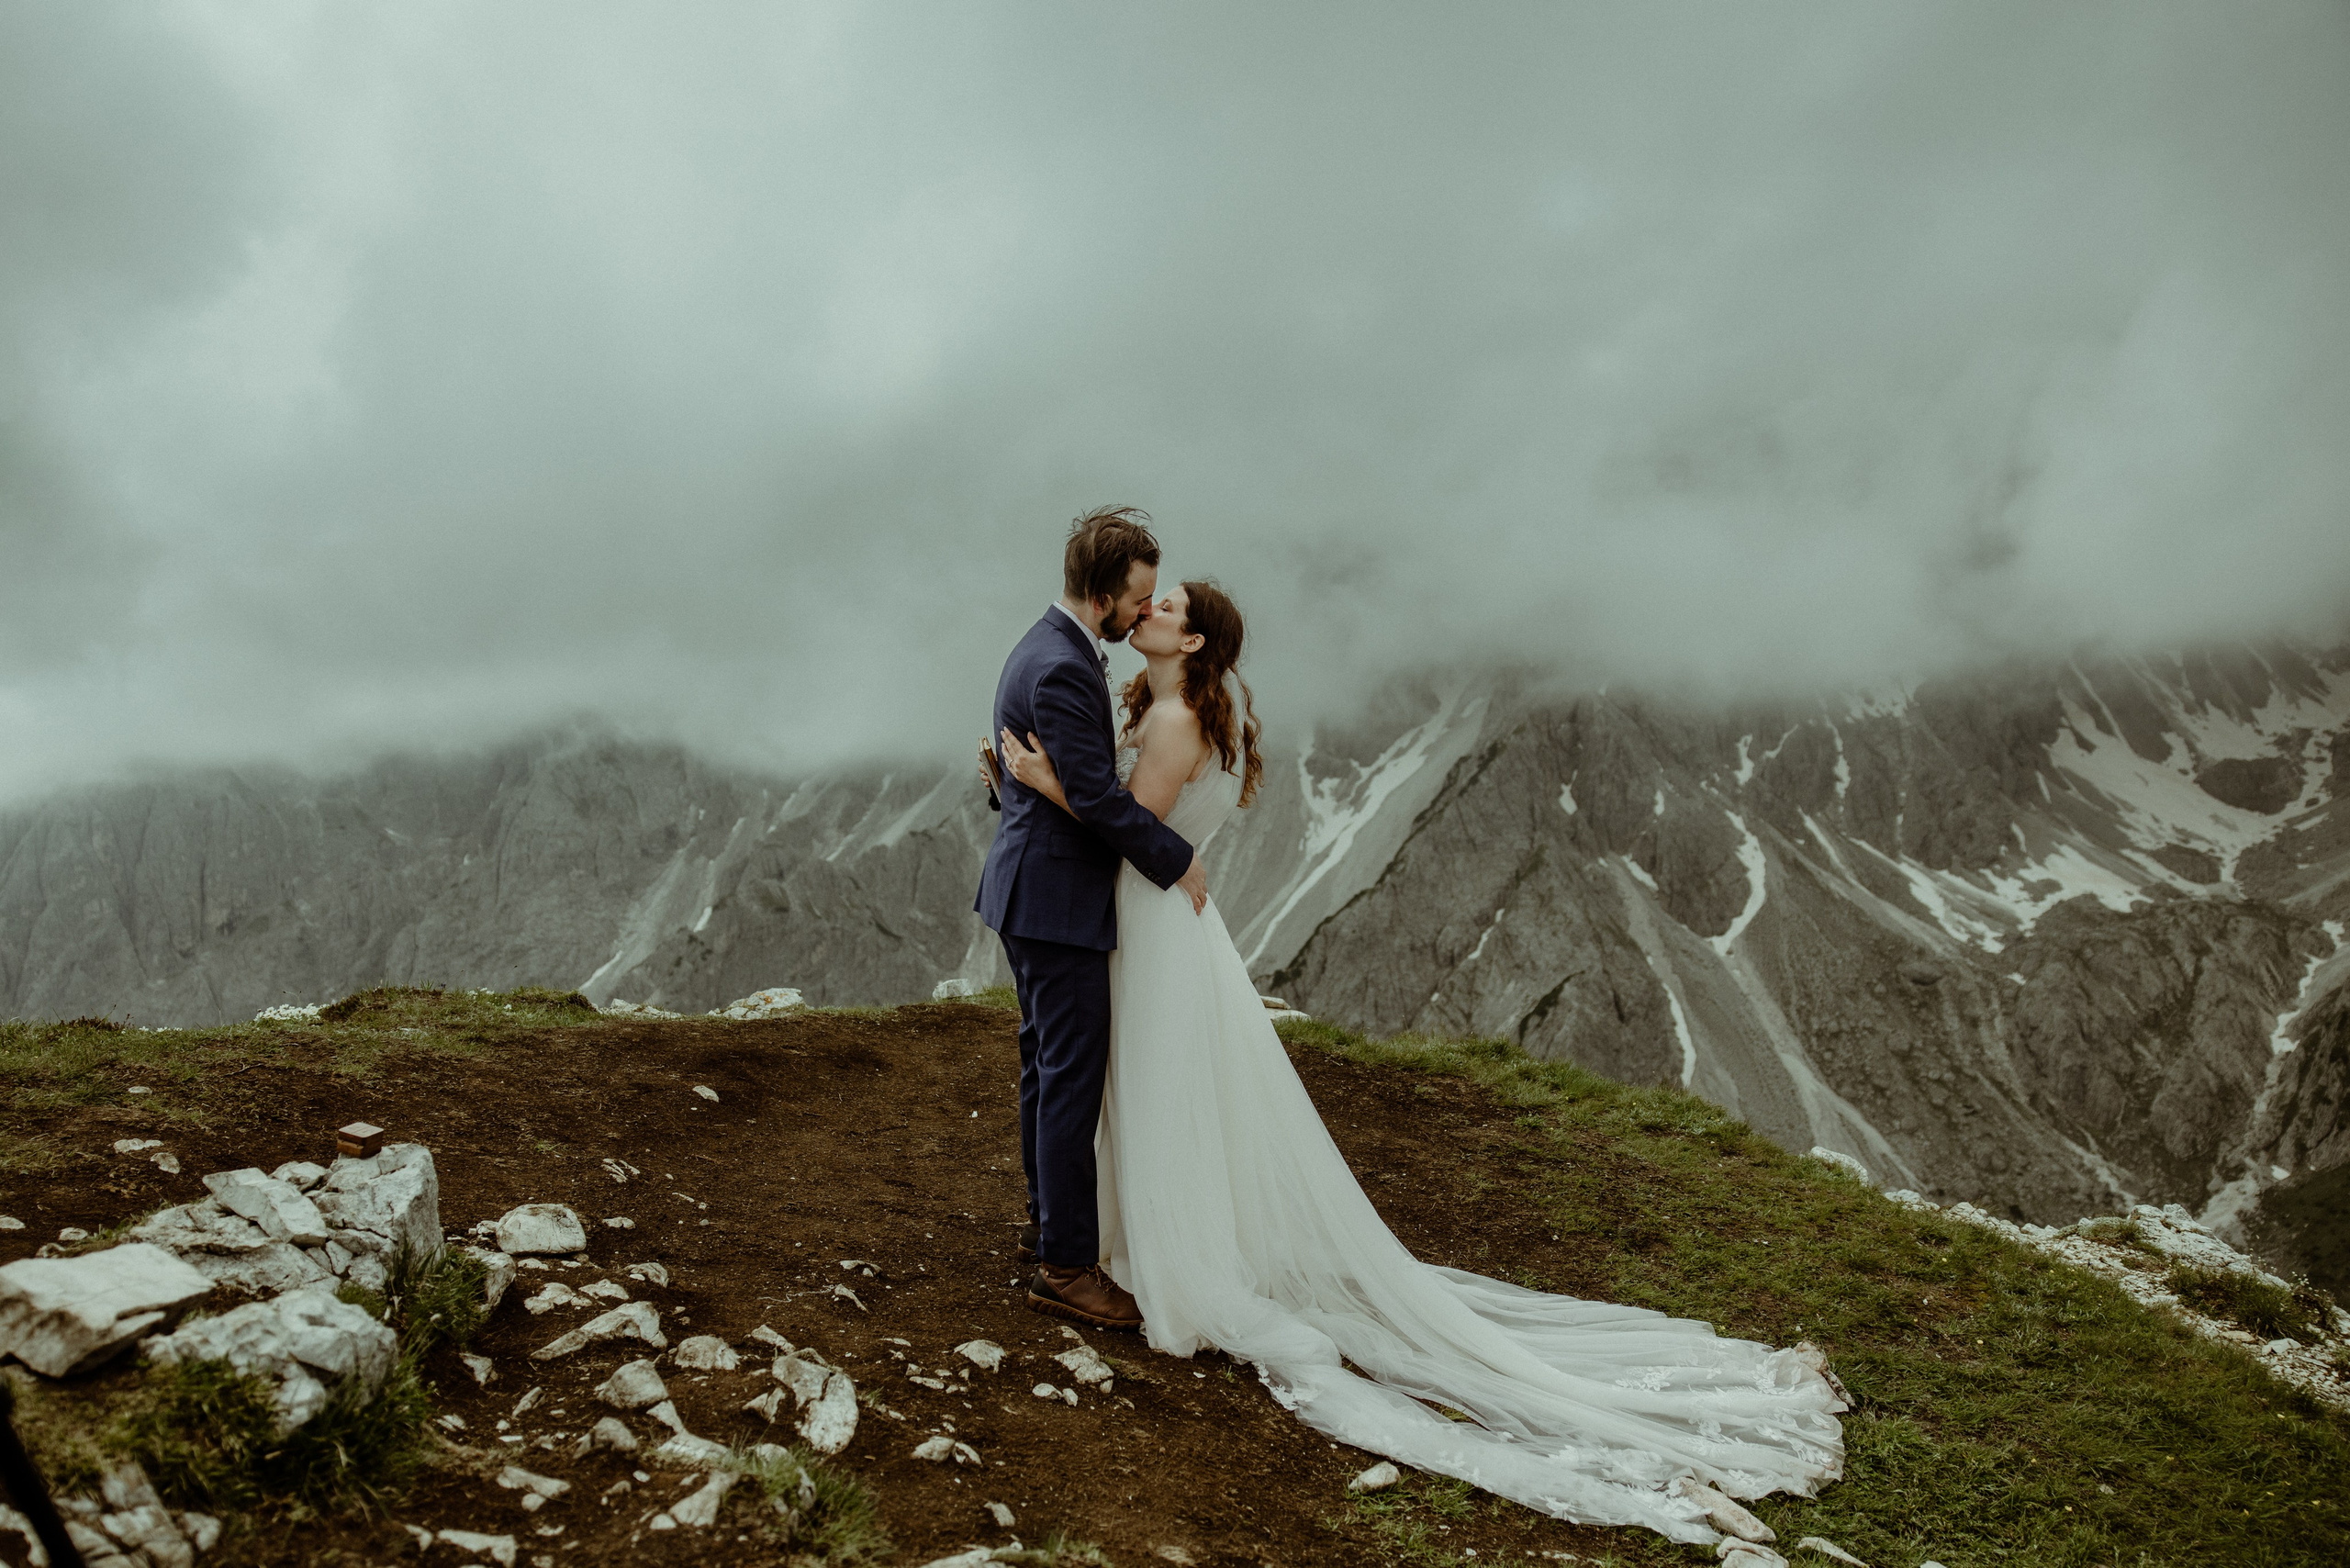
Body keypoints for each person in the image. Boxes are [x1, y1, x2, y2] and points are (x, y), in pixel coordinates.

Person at [997, 577, 1848, 1546]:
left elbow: (1129, 828)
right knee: (1148, 1087)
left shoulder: (1177, 716)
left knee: (1152, 1087)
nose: (1146, 610)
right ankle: (1129, 1233)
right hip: (1156, 921)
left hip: (1149, 919)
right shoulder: (1165, 702)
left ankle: (1159, 1247)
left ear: (1190, 642)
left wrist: (1042, 783)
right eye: (1146, 601)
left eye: (1166, 606)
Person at [975, 506, 1207, 1331]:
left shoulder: (1043, 644)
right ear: (1104, 594)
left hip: (1030, 890)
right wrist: (1177, 861)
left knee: (1047, 1068)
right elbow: (1104, 803)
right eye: (1138, 600)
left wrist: (1019, 785)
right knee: (1069, 1076)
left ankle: (1052, 1226)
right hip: (1058, 898)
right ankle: (1067, 1267)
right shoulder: (1067, 668)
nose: (1143, 614)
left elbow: (1037, 768)